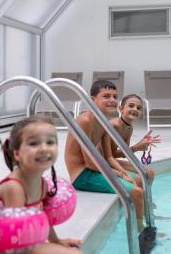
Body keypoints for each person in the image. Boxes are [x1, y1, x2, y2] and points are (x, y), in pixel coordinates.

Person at [0, 115, 82, 254]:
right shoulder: (14, 188)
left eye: (50, 142)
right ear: (17, 154)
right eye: (33, 143)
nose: (44, 148)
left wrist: (55, 241)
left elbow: (43, 215)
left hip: (27, 241)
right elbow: (15, 237)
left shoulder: (42, 183)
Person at [64, 80, 146, 232]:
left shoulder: (103, 122)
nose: (112, 100)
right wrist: (120, 173)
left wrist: (121, 173)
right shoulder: (85, 120)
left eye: (115, 97)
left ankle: (140, 218)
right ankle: (140, 230)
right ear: (92, 99)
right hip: (82, 176)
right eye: (106, 96)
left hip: (95, 169)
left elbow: (108, 157)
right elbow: (89, 163)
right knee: (136, 191)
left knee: (139, 180)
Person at [107, 94, 160, 187]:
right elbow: (105, 155)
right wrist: (135, 147)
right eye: (131, 106)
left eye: (139, 108)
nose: (135, 109)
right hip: (99, 162)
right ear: (121, 108)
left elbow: (123, 154)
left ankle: (146, 200)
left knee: (149, 172)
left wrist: (140, 144)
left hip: (109, 160)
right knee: (138, 180)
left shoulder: (129, 129)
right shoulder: (112, 126)